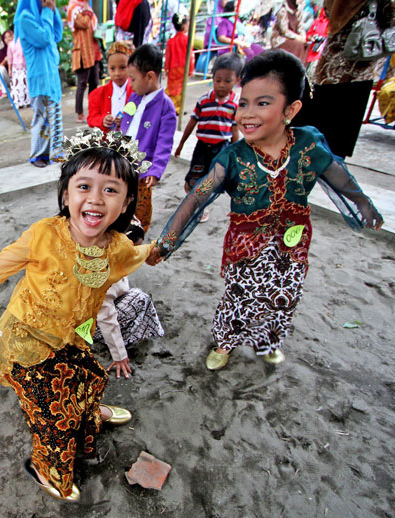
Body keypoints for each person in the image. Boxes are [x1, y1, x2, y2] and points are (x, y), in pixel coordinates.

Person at [0, 129, 162, 501]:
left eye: (110, 189)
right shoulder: (44, 234)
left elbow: (141, 253)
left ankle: (91, 416)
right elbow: (5, 260)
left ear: (126, 202)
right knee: (54, 414)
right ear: (66, 193)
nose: (96, 198)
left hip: (76, 333)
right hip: (28, 336)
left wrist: (154, 250)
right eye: (84, 186)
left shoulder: (118, 248)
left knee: (88, 377)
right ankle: (44, 467)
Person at [155, 49, 383, 371]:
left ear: (291, 108)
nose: (247, 114)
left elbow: (337, 174)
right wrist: (169, 240)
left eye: (263, 103)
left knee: (285, 295)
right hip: (245, 247)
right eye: (244, 103)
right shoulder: (232, 158)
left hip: (292, 244)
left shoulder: (308, 145)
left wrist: (363, 204)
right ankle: (225, 342)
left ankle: (268, 341)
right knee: (239, 296)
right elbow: (196, 197)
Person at [311, 0, 394, 157]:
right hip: (359, 63)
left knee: (321, 121)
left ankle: (313, 160)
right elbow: (390, 17)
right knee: (339, 133)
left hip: (331, 63)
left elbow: (328, 11)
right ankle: (329, 165)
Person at [174, 53, 243, 222]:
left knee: (212, 181)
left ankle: (200, 208)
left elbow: (234, 130)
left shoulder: (235, 104)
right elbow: (192, 123)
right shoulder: (204, 100)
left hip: (221, 148)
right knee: (194, 179)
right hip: (202, 146)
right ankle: (191, 187)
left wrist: (236, 154)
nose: (221, 85)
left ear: (237, 80)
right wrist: (181, 144)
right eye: (218, 80)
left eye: (227, 81)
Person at [93, 216, 164, 379]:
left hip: (84, 321)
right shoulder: (103, 272)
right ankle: (128, 339)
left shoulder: (100, 251)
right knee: (141, 298)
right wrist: (120, 357)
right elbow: (106, 317)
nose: (135, 254)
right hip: (89, 326)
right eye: (133, 249)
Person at [119, 44, 177, 233]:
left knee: (141, 206)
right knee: (121, 198)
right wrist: (114, 123)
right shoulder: (134, 98)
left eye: (133, 79)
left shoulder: (166, 108)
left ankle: (137, 235)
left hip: (144, 170)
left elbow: (164, 143)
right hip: (124, 161)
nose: (131, 83)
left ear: (150, 76)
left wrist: (156, 169)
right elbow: (125, 120)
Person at [15, 0, 64, 168]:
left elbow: (57, 35)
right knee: (42, 116)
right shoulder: (25, 18)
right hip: (40, 76)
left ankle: (55, 152)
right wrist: (48, 12)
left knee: (55, 114)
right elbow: (43, 38)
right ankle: (38, 154)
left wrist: (53, 11)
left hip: (51, 75)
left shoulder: (45, 14)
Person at [87, 41, 134, 132]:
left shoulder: (137, 93)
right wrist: (103, 120)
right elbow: (91, 119)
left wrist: (127, 121)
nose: (117, 73)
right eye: (112, 68)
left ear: (130, 67)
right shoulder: (96, 94)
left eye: (123, 67)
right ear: (107, 68)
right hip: (107, 143)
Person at [68, 0, 102, 123]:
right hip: (82, 52)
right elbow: (84, 23)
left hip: (93, 51)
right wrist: (87, 10)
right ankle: (80, 113)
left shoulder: (87, 9)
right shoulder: (74, 9)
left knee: (94, 82)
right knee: (82, 84)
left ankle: (93, 111)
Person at [164, 13, 194, 114]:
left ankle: (172, 106)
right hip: (183, 68)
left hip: (173, 68)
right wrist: (190, 69)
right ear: (184, 25)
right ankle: (177, 108)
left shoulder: (171, 41)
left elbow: (167, 56)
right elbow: (190, 56)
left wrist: (166, 69)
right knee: (180, 89)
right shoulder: (187, 40)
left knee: (172, 88)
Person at [6, 33, 30, 109]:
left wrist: (9, 70)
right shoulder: (23, 41)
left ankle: (20, 102)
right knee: (24, 85)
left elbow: (10, 59)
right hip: (21, 66)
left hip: (18, 67)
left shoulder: (12, 44)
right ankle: (26, 101)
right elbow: (10, 58)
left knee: (19, 85)